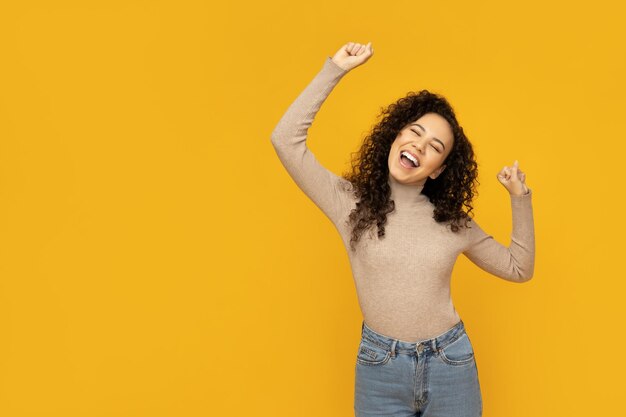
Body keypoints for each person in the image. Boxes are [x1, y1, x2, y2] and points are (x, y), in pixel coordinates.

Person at [270, 41, 535, 417]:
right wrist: (335, 69)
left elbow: (519, 268)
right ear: (395, 136)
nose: (419, 146)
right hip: (380, 369)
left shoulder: (453, 222)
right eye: (414, 131)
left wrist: (519, 197)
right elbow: (285, 140)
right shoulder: (349, 204)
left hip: (451, 364)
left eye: (435, 147)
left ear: (438, 169)